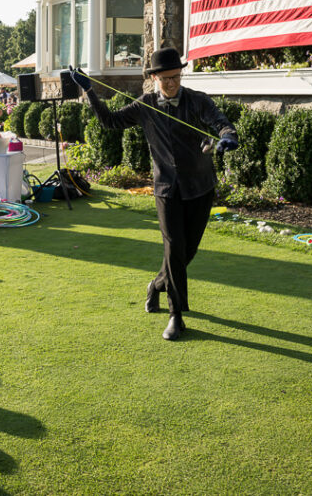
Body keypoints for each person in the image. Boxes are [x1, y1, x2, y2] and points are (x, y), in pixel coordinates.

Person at [71, 48, 238, 341]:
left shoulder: (197, 100)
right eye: (165, 78)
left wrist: (228, 136)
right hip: (166, 190)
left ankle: (156, 285)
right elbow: (110, 121)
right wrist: (89, 91)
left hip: (200, 187)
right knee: (174, 248)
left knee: (187, 252)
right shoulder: (146, 105)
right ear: (154, 78)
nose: (171, 83)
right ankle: (176, 315)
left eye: (175, 77)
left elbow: (220, 121)